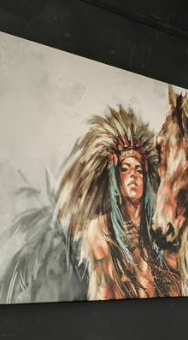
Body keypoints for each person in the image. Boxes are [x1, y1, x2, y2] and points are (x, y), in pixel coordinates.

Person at [56, 106, 180, 299]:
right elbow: (104, 293)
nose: (133, 175)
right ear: (115, 176)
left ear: (147, 178)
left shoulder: (158, 229)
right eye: (125, 168)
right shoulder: (99, 229)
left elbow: (174, 290)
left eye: (139, 170)